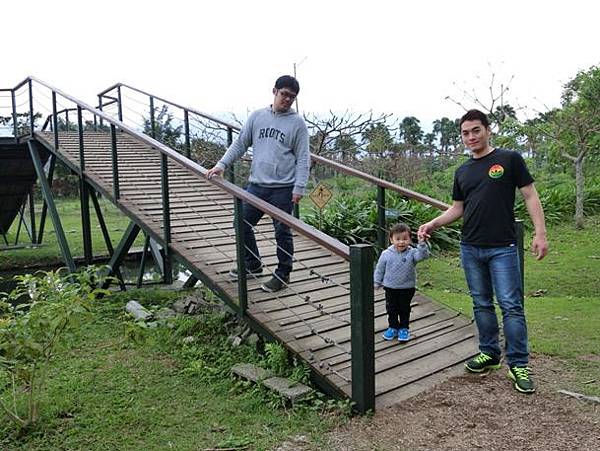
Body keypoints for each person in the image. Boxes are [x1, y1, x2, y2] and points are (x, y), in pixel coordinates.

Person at [418, 109, 548, 394]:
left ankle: (518, 364)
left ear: (488, 130)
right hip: (470, 247)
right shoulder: (463, 170)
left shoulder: (509, 159)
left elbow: (530, 194)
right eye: (465, 133)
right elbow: (457, 208)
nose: (471, 137)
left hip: (502, 247)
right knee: (481, 303)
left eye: (476, 130)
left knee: (511, 306)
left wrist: (540, 233)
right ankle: (489, 352)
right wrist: (433, 223)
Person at [206, 75, 310, 293]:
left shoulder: (297, 123)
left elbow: (303, 157)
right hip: (256, 185)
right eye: (284, 95)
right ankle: (252, 263)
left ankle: (283, 274)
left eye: (292, 97)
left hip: (283, 188)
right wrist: (221, 164)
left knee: (282, 231)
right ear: (274, 91)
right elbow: (240, 143)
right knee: (241, 223)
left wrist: (299, 187)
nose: (287, 100)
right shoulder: (257, 117)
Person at [374, 223, 430, 342]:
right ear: (391, 239)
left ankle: (404, 328)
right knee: (391, 308)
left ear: (410, 239)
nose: (401, 242)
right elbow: (380, 269)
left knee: (404, 308)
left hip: (407, 287)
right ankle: (393, 327)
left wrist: (422, 243)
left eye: (405, 239)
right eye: (397, 239)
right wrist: (376, 281)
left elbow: (423, 256)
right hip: (390, 287)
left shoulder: (413, 253)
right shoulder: (386, 254)